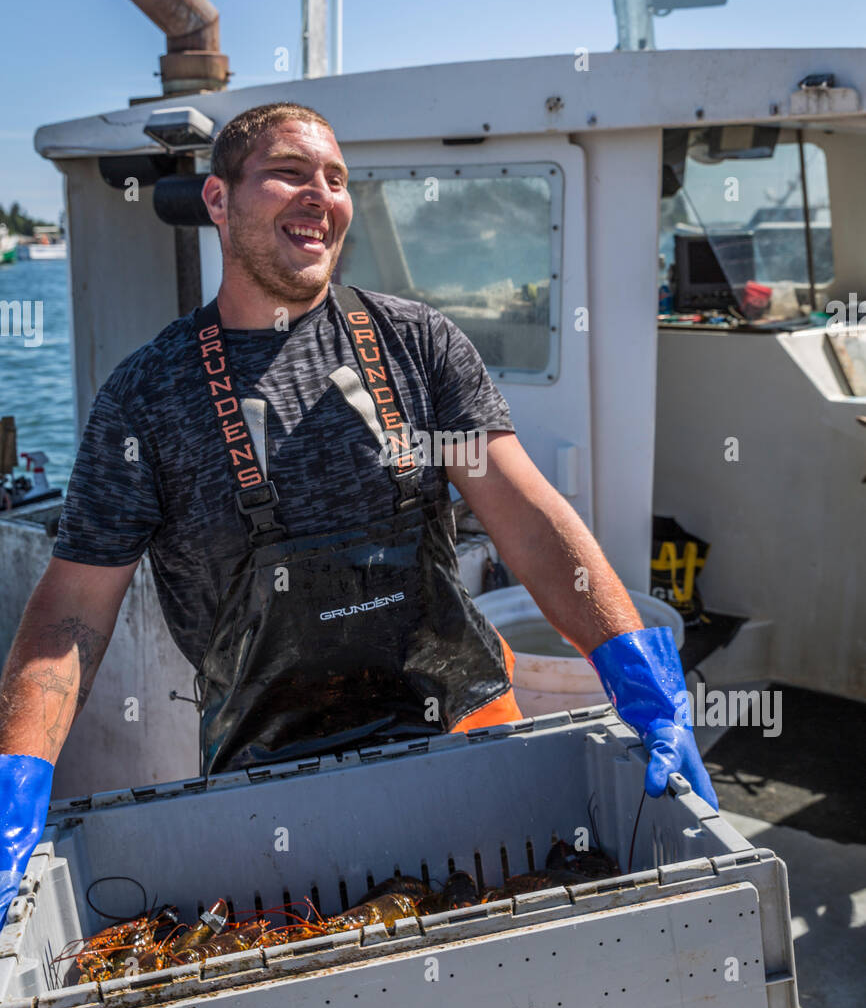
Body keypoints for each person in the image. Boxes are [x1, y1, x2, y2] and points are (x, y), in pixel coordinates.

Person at [0, 102, 717, 928]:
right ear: (219, 201)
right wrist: (20, 772)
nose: (321, 195)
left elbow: (527, 519)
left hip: (466, 733)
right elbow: (72, 613)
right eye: (289, 173)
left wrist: (640, 675)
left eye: (336, 179)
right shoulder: (144, 399)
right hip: (270, 780)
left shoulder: (420, 345)